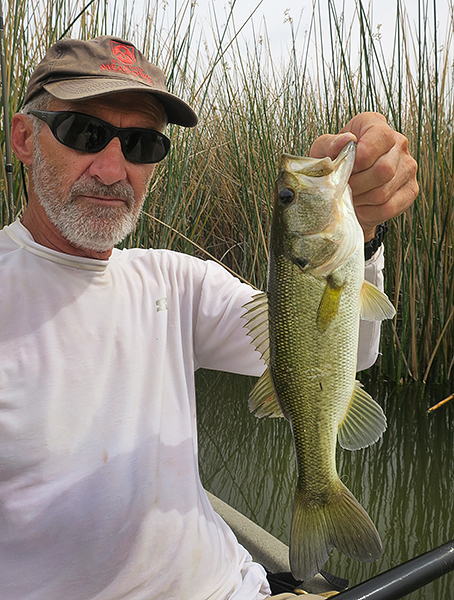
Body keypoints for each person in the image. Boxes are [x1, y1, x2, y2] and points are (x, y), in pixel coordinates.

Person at [1, 36, 418, 600]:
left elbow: (352, 351)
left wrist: (363, 230)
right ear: (25, 139)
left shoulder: (176, 282)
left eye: (143, 143)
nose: (112, 167)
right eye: (85, 133)